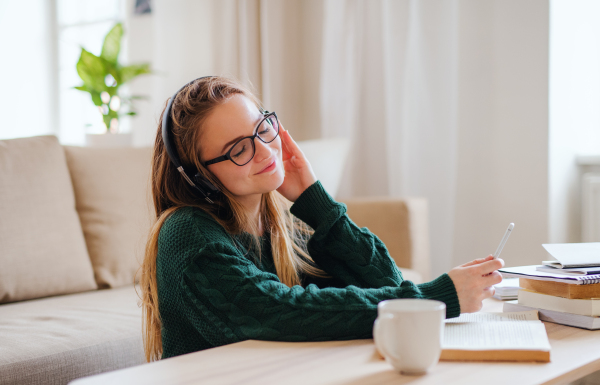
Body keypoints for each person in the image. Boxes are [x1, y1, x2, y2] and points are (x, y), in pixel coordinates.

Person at [139, 76, 504, 362]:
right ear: (199, 176)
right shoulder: (187, 233)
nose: (266, 150)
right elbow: (280, 312)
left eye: (262, 128)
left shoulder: (280, 224)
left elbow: (384, 281)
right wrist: (432, 297)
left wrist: (317, 201)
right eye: (238, 149)